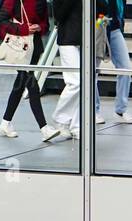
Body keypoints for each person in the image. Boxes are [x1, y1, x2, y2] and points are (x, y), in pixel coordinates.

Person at [0, 0, 62, 142]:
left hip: (33, 47)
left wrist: (40, 27)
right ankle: (44, 128)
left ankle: (5, 122)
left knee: (20, 84)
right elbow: (1, 21)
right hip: (21, 46)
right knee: (31, 84)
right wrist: (24, 29)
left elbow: (46, 24)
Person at [50, 0, 85, 139]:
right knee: (75, 82)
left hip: (84, 39)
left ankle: (76, 125)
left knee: (83, 84)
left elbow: (103, 8)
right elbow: (59, 15)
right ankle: (60, 117)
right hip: (67, 40)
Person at [98, 0, 132, 123]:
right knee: (91, 70)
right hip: (97, 26)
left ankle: (120, 110)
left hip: (114, 28)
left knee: (125, 68)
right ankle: (93, 110)